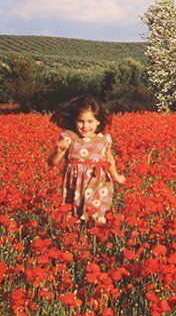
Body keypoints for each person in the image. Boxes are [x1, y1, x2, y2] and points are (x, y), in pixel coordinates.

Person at [47, 95, 126, 225]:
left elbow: (108, 158)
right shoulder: (69, 137)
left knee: (98, 216)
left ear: (98, 121)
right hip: (76, 185)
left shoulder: (104, 139)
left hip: (99, 185)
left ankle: (96, 238)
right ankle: (80, 240)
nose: (85, 126)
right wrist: (58, 151)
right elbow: (51, 163)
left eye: (90, 121)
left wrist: (116, 176)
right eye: (81, 121)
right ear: (74, 121)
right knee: (75, 217)